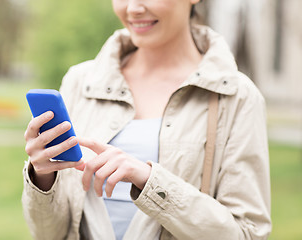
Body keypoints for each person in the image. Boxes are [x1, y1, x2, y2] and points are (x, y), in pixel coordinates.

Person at [22, 0, 272, 239]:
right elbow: (49, 234)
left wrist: (149, 180)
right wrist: (43, 178)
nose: (133, 8)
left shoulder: (236, 96)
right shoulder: (80, 82)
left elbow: (247, 233)